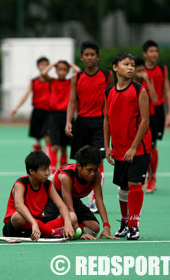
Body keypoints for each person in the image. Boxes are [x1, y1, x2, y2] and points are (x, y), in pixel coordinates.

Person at [104, 53, 151, 240]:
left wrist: (133, 147)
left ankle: (134, 224)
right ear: (115, 67)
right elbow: (106, 119)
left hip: (139, 147)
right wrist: (107, 146)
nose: (131, 68)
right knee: (123, 187)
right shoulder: (108, 92)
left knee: (135, 183)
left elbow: (145, 121)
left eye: (132, 65)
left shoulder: (140, 90)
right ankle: (124, 222)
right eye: (126, 64)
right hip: (119, 148)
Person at [65, 41, 114, 213]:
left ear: (97, 56)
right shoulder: (76, 78)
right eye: (86, 54)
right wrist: (68, 121)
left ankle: (94, 198)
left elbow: (111, 98)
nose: (90, 57)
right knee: (80, 161)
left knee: (98, 160)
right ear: (81, 57)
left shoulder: (107, 75)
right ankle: (78, 196)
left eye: (93, 54)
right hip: (82, 123)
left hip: (101, 122)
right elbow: (72, 101)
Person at [44, 145, 117, 240]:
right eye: (89, 170)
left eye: (95, 170)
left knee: (94, 228)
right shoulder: (66, 177)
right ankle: (50, 228)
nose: (92, 173)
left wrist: (106, 227)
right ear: (79, 166)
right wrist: (78, 231)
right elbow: (69, 208)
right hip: (55, 203)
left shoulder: (95, 174)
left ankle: (64, 230)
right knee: (72, 218)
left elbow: (99, 199)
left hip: (73, 200)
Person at [2, 150, 76, 240]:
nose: (47, 173)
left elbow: (62, 206)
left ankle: (44, 231)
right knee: (18, 216)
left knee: (72, 216)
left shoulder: (47, 184)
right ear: (32, 171)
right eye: (44, 170)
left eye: (48, 169)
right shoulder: (20, 184)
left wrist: (68, 223)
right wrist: (34, 223)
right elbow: (19, 206)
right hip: (18, 225)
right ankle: (52, 232)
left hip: (37, 222)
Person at [142, 40, 170, 193]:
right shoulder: (139, 70)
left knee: (152, 145)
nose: (154, 54)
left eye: (156, 51)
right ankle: (144, 176)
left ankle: (151, 178)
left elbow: (167, 90)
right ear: (145, 54)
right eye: (151, 51)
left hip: (158, 111)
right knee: (145, 145)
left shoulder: (162, 68)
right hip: (143, 110)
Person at [42, 60, 81, 174]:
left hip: (67, 116)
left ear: (68, 71)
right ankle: (53, 171)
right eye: (59, 69)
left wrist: (71, 64)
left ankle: (63, 171)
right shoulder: (52, 81)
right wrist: (53, 64)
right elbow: (44, 73)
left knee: (64, 147)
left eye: (65, 70)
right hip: (54, 116)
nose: (62, 72)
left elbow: (79, 72)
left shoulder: (70, 81)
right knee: (54, 146)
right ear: (56, 70)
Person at [11, 57, 52, 154]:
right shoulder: (34, 81)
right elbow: (26, 95)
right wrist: (16, 108)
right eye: (41, 64)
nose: (44, 66)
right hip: (37, 112)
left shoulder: (52, 81)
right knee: (37, 138)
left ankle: (48, 161)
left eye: (46, 64)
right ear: (38, 66)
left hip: (49, 113)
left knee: (48, 138)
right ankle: (38, 160)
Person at [133, 56, 159, 192]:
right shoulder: (129, 84)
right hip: (133, 122)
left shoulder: (146, 83)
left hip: (149, 120)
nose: (142, 73)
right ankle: (139, 178)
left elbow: (155, 99)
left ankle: (152, 178)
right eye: (139, 70)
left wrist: (148, 81)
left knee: (150, 150)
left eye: (143, 70)